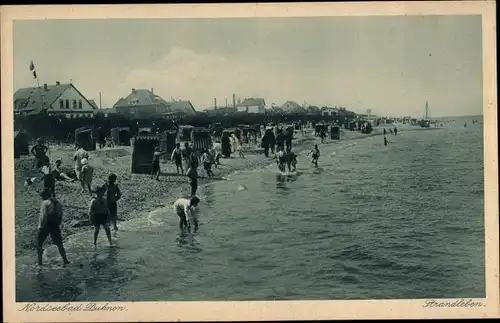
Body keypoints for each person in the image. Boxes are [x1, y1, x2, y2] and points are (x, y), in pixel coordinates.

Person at [36, 188, 70, 266]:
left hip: (46, 225)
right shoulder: (57, 202)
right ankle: (65, 260)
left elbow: (43, 216)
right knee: (59, 243)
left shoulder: (45, 203)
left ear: (43, 196)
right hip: (55, 225)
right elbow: (60, 215)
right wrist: (57, 224)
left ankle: (40, 263)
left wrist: (41, 227)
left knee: (39, 243)